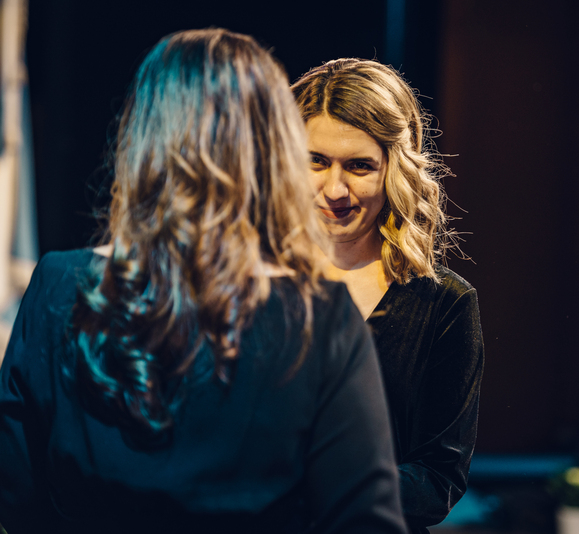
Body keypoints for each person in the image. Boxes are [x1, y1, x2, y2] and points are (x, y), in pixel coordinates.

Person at [0, 30, 406, 534]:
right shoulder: (321, 318)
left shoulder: (58, 287)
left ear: (143, 138)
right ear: (273, 150)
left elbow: (16, 496)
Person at [292, 59, 484, 533]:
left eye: (359, 166)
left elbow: (438, 480)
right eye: (316, 161)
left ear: (395, 169)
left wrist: (321, 484)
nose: (335, 190)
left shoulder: (444, 304)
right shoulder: (248, 284)